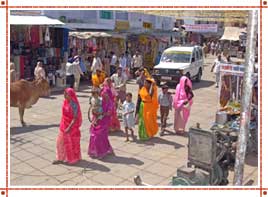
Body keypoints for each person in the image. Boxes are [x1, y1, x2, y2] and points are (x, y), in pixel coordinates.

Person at [53, 88, 82, 165]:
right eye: (64, 94)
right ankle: (60, 158)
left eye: (67, 94)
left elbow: (75, 118)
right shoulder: (65, 102)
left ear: (71, 95)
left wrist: (69, 127)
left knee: (70, 143)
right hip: (63, 125)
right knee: (60, 142)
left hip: (71, 127)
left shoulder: (74, 104)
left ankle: (72, 159)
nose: (65, 96)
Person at [88, 78, 114, 158]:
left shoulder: (110, 103)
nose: (104, 94)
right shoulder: (100, 100)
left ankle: (101, 152)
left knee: (99, 136)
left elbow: (109, 113)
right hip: (96, 120)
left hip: (104, 122)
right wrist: (94, 112)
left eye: (106, 93)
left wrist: (102, 113)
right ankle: (96, 150)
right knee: (93, 136)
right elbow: (94, 108)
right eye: (103, 93)